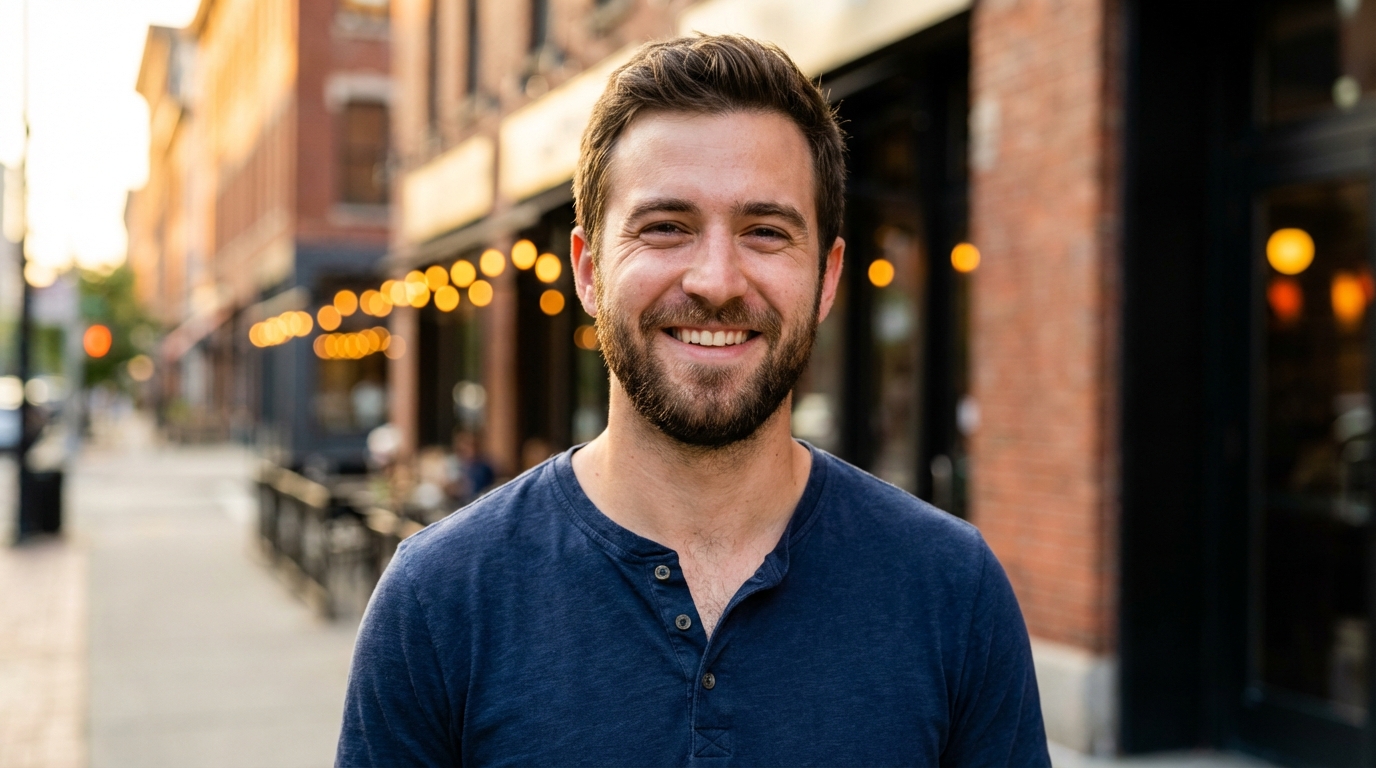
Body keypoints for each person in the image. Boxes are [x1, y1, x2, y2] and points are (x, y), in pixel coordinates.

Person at [337, 34, 1048, 766]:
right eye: (666, 228)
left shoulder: (951, 589)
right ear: (588, 270)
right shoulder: (438, 601)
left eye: (765, 232)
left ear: (828, 278)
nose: (716, 281)